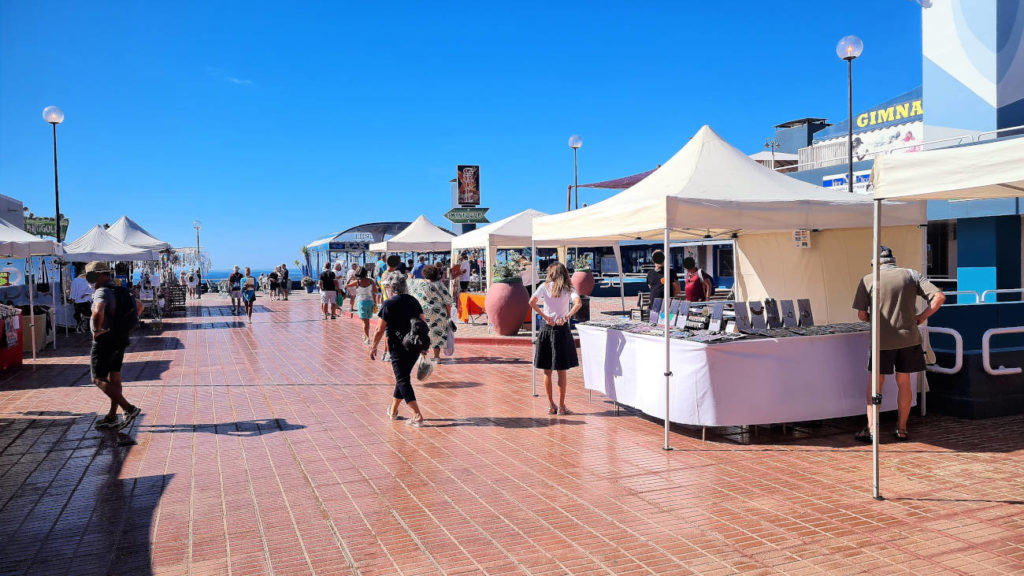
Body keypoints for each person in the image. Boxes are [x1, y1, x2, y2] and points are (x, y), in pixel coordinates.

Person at [852, 245, 945, 443]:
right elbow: (939, 297)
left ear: (874, 262)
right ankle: (901, 428)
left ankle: (871, 430)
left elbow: (861, 314)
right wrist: (922, 317)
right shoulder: (912, 275)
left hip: (881, 341)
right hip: (909, 339)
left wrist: (872, 318)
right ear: (893, 260)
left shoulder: (868, 279)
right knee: (904, 383)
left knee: (875, 385)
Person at [86, 261, 143, 431]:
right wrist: (123, 325)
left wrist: (97, 330)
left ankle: (129, 408)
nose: (90, 280)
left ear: (99, 276)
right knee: (114, 377)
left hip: (105, 339)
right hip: (120, 338)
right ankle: (112, 416)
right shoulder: (121, 289)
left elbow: (98, 311)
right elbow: (139, 306)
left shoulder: (102, 291)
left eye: (91, 276)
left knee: (97, 378)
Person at [371, 271, 427, 427]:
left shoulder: (388, 304)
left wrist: (373, 347)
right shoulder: (414, 301)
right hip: (414, 346)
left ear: (391, 288)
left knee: (402, 379)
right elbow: (422, 323)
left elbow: (379, 329)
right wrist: (423, 345)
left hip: (397, 347)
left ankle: (417, 415)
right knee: (402, 378)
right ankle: (393, 411)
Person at [529, 261, 582, 416]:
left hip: (547, 328)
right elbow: (578, 303)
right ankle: (561, 405)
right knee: (561, 371)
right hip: (562, 328)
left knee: (547, 371)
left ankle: (551, 405)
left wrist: (545, 316)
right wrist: (566, 316)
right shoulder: (568, 288)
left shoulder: (544, 287)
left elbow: (531, 302)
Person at [410, 264, 454, 364]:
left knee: (422, 334)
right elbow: (448, 302)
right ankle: (437, 357)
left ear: (424, 274)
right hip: (439, 314)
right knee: (437, 335)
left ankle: (423, 356)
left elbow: (411, 290)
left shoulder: (420, 284)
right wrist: (449, 315)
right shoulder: (440, 285)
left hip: (423, 313)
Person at [348, 265, 379, 344]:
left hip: (361, 302)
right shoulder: (371, 281)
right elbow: (375, 291)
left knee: (364, 321)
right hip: (370, 302)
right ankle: (365, 336)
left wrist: (350, 279)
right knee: (367, 321)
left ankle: (367, 337)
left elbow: (347, 286)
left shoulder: (357, 282)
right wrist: (375, 302)